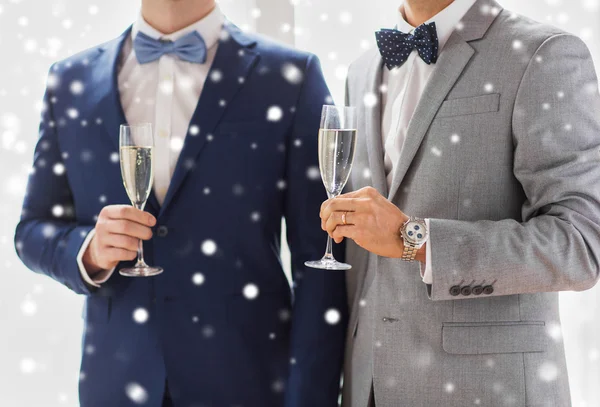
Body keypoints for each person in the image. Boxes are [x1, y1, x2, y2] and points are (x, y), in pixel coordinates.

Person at [15, 0, 348, 406]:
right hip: (116, 384)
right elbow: (32, 230)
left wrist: (311, 398)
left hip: (248, 383)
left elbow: (321, 264)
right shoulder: (69, 80)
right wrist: (89, 250)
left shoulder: (290, 77)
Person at [320, 0, 600, 406]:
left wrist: (412, 239)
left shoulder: (543, 54)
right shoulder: (363, 69)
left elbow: (581, 243)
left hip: (486, 390)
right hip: (371, 387)